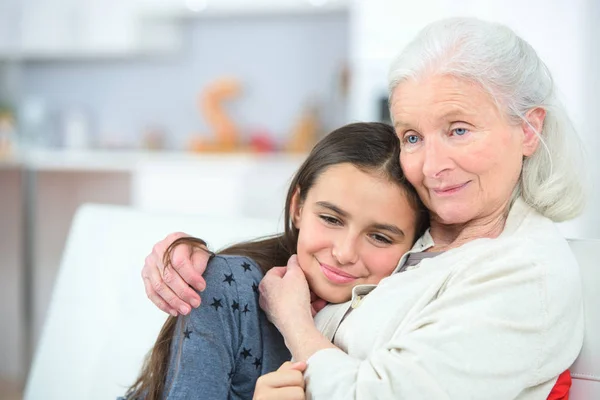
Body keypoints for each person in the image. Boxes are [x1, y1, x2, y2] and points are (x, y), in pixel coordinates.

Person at [140, 17, 586, 399]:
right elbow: (314, 242)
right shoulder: (434, 223)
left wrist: (295, 323)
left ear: (528, 130)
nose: (432, 166)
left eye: (459, 130)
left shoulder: (526, 276)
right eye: (412, 136)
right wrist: (185, 254)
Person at [124, 122, 428, 399]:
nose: (344, 253)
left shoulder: (403, 318)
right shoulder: (227, 287)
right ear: (297, 207)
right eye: (331, 219)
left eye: (380, 237)